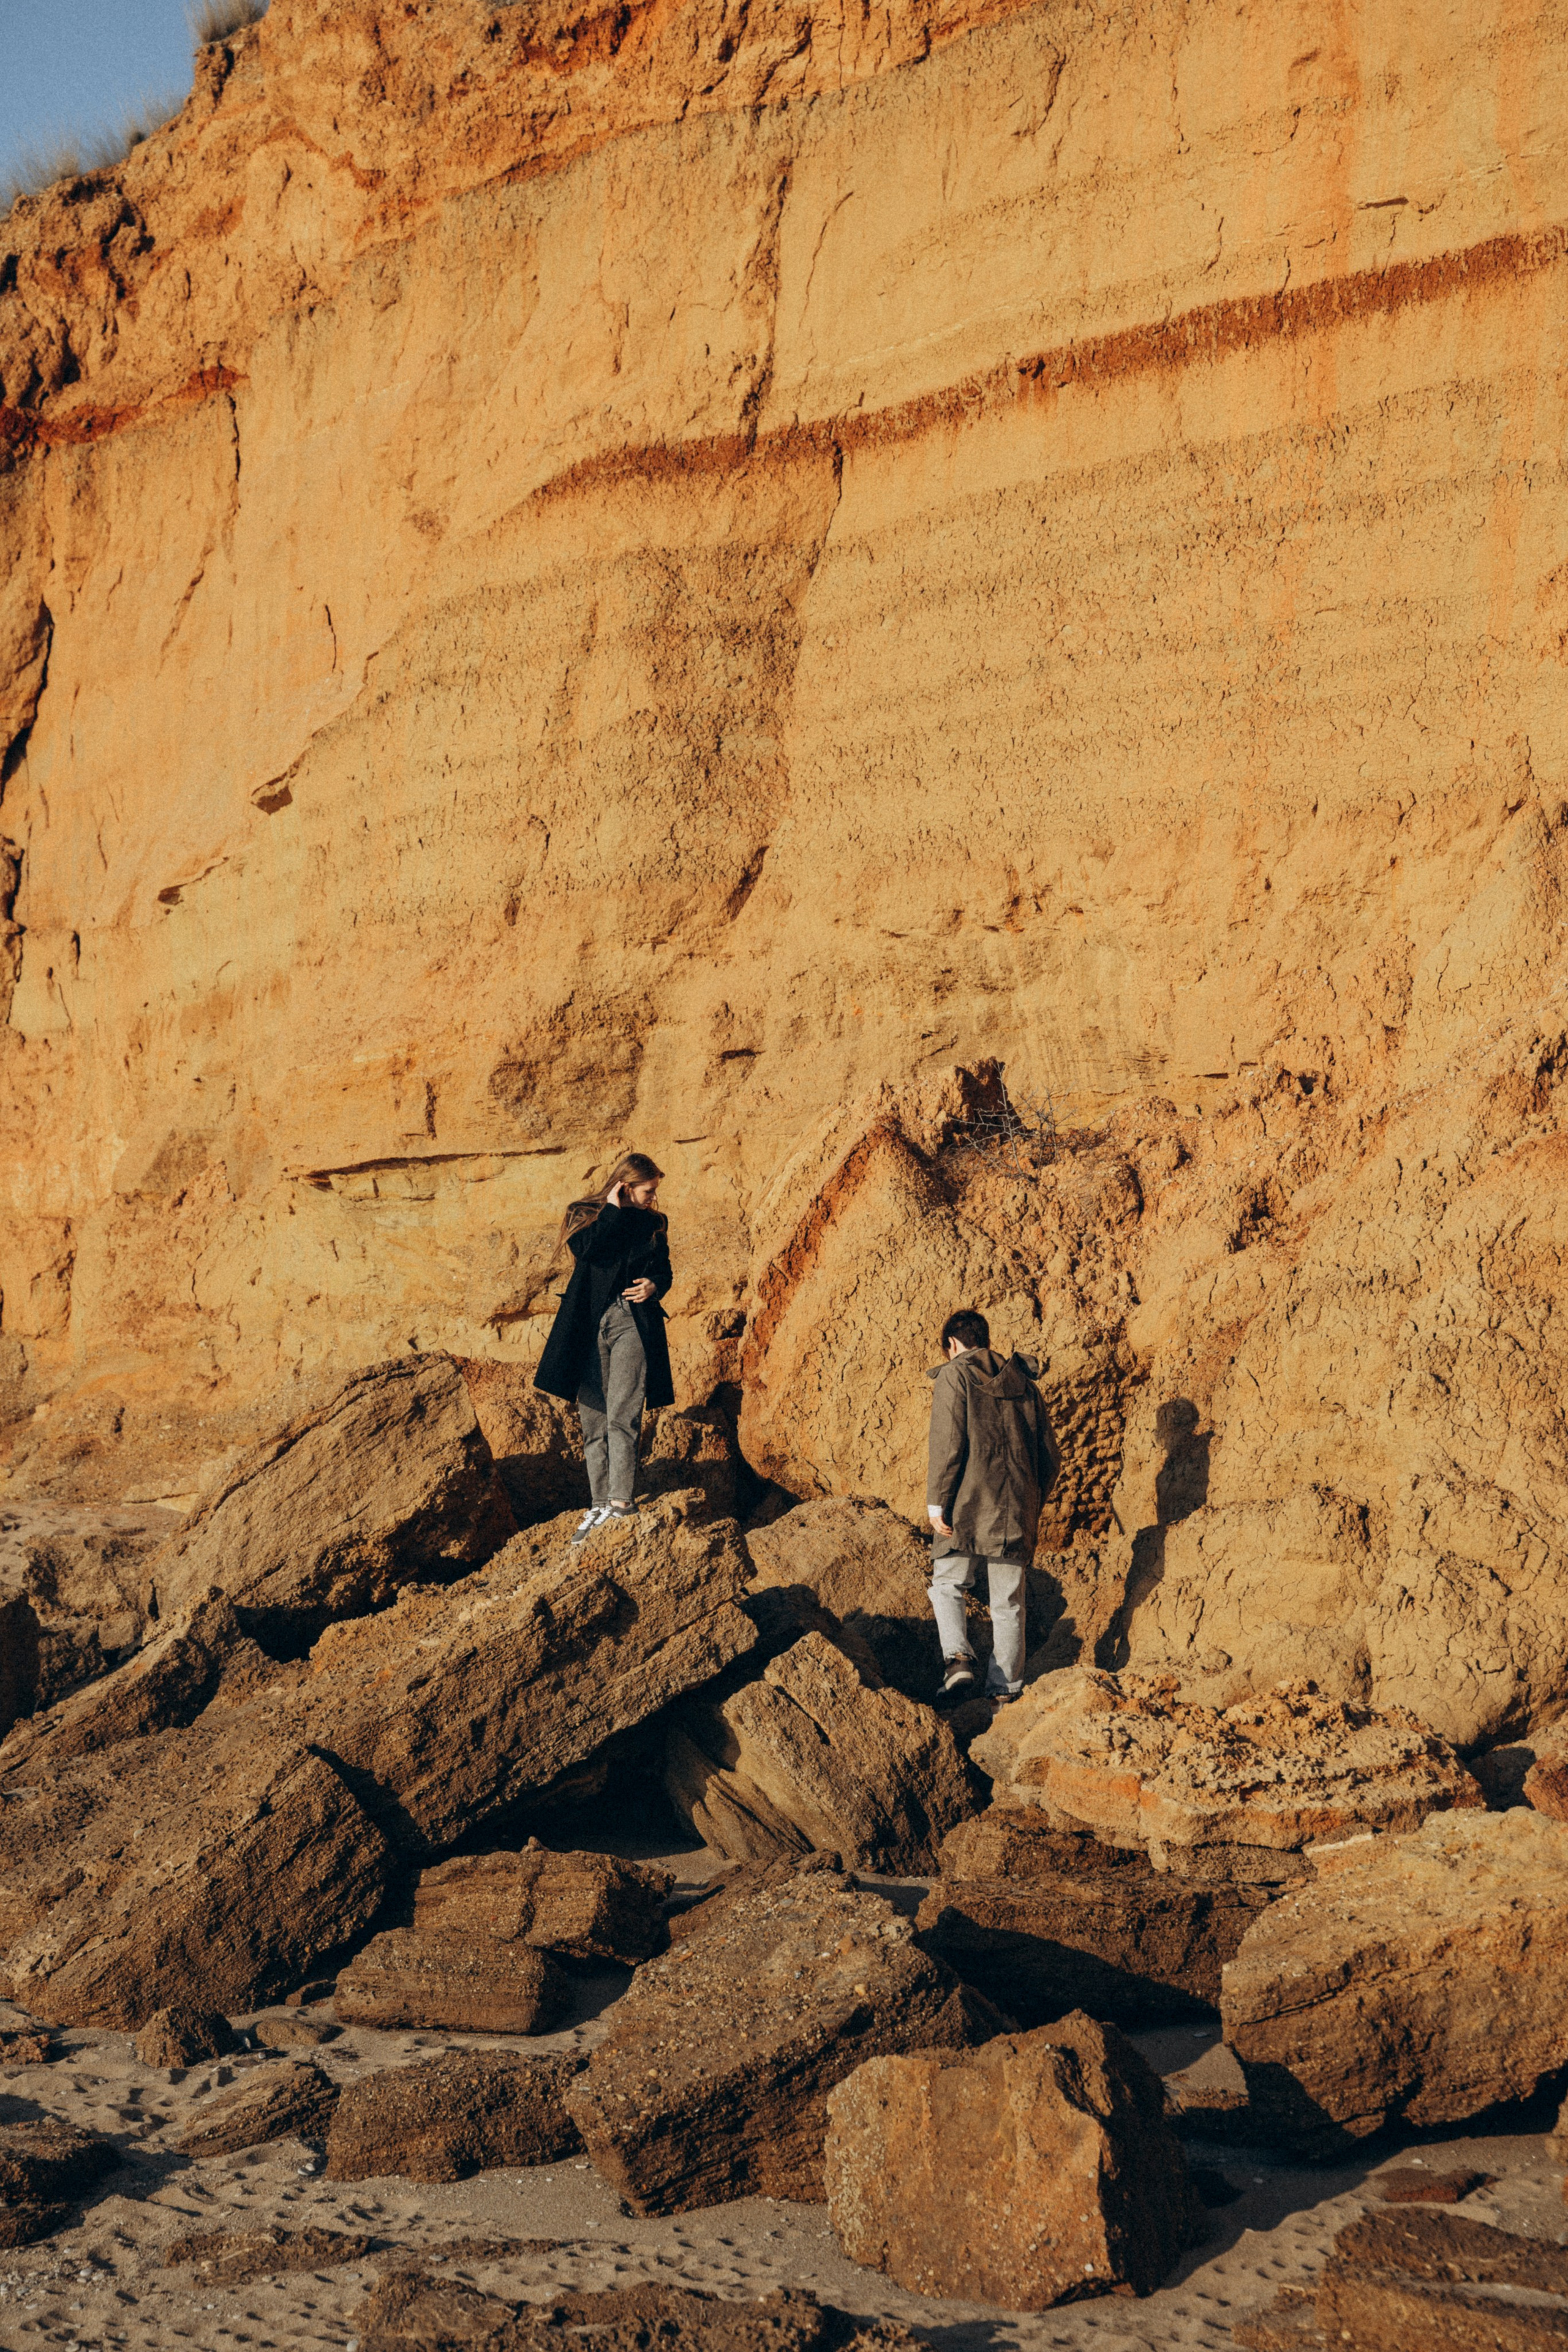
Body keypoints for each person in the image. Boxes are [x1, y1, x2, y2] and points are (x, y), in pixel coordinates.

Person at [533, 1152, 674, 1543]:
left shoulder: (654, 1223)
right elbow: (587, 1252)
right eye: (648, 1191)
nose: (653, 1198)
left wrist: (654, 1286)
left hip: (633, 1321)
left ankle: (621, 1503)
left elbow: (663, 1268)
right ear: (626, 1186)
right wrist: (612, 1211)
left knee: (623, 1413)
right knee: (593, 1418)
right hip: (588, 1325)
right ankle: (598, 1504)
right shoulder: (583, 1212)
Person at [925, 1308, 1059, 1705]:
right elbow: (1050, 1457)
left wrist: (938, 1503)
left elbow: (948, 1444)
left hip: (966, 1505)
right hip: (1016, 1506)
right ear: (983, 1338)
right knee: (1009, 1603)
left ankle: (958, 1659)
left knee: (948, 1583)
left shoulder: (955, 1374)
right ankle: (1004, 1694)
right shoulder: (1025, 1384)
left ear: (953, 1344)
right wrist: (1030, 1502)